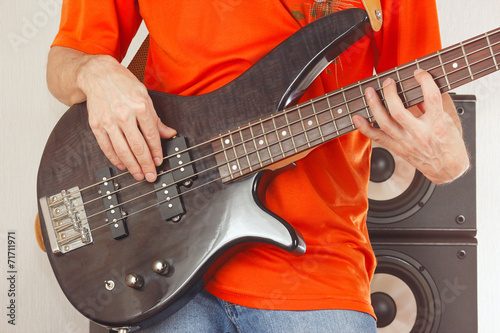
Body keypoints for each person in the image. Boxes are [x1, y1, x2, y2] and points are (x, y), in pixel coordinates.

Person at [46, 0, 469, 332]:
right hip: (162, 256)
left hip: (318, 267)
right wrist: (93, 69)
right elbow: (65, 61)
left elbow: (426, 95)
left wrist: (449, 160)